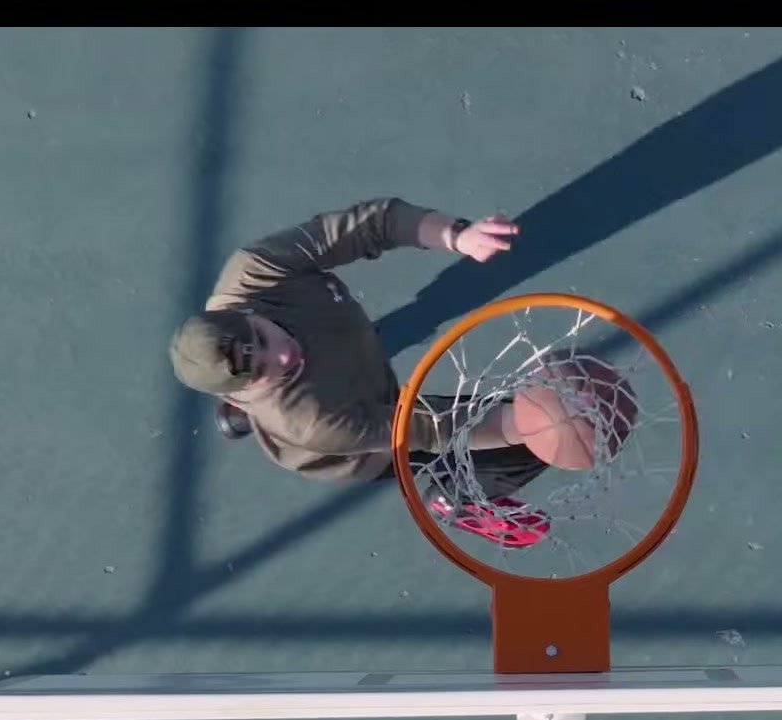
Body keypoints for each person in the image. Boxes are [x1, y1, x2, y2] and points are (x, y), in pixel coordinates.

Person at [168, 196, 554, 548]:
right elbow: (436, 427)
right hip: (362, 434)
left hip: (339, 353)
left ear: (244, 310)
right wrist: (546, 422)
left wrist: (458, 236)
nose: (282, 356)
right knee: (531, 443)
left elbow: (374, 223)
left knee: (317, 360)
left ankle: (246, 408)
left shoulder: (256, 269)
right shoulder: (314, 421)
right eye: (261, 372)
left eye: (263, 339)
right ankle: (456, 499)